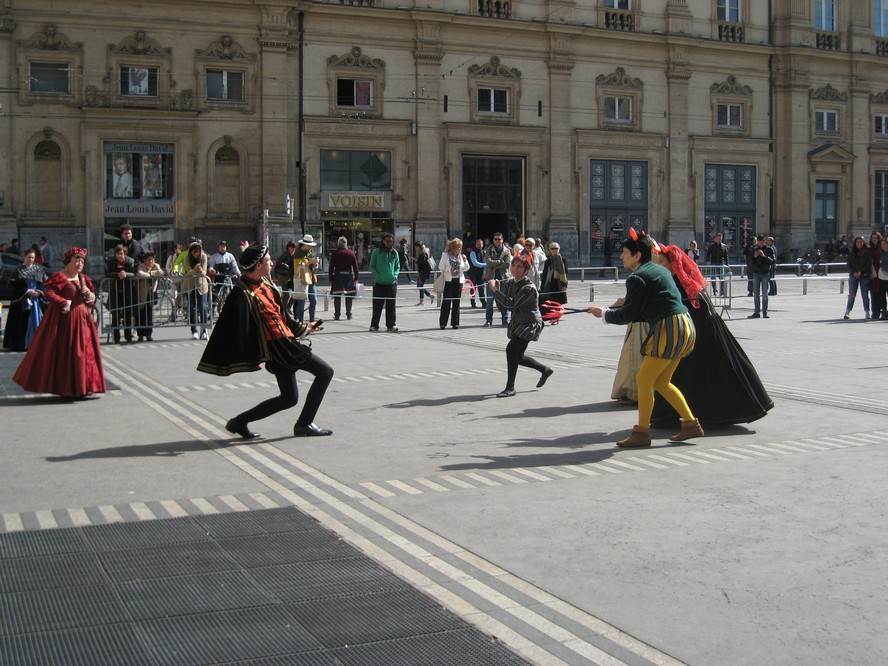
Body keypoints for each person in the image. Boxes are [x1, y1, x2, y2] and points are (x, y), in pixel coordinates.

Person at [197, 243, 333, 438]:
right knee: (325, 371)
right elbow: (231, 328)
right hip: (278, 347)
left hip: (284, 343)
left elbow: (281, 314)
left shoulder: (265, 283)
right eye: (268, 260)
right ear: (258, 265)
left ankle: (239, 422)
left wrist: (304, 328)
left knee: (289, 398)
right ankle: (305, 424)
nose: (272, 263)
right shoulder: (241, 293)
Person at [588, 232, 702, 447]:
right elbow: (646, 308)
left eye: (624, 252)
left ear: (637, 255)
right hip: (684, 325)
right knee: (661, 382)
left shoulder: (637, 277)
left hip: (669, 328)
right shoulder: (660, 270)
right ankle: (690, 424)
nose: (621, 257)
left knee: (643, 379)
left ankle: (642, 433)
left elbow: (628, 315)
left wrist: (604, 314)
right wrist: (608, 311)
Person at [650, 244, 773, 427]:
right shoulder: (677, 279)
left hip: (701, 332)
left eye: (662, 262)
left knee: (701, 372)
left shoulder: (682, 281)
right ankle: (676, 414)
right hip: (694, 330)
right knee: (688, 374)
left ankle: (691, 414)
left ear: (673, 263)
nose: (659, 265)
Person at [13, 247, 105, 399]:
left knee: (85, 354)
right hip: (65, 320)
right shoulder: (60, 277)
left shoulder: (84, 279)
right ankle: (67, 388)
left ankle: (84, 386)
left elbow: (90, 301)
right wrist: (63, 302)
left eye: (82, 261)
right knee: (68, 353)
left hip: (83, 320)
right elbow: (48, 294)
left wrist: (90, 296)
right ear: (68, 261)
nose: (79, 263)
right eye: (76, 260)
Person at [489, 255, 552, 397]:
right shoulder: (510, 283)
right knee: (518, 357)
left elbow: (511, 304)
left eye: (519, 266)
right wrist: (498, 290)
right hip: (518, 324)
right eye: (513, 266)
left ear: (526, 270)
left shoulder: (529, 288)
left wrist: (495, 291)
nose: (515, 269)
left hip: (529, 325)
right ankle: (545, 370)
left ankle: (510, 387)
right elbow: (503, 306)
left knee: (511, 349)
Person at [3, 247, 46, 351]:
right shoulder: (18, 270)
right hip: (22, 299)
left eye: (33, 258)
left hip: (36, 300)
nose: (31, 259)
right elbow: (13, 284)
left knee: (37, 320)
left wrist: (39, 292)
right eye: (29, 257)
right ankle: (22, 344)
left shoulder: (38, 269)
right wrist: (26, 291)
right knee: (21, 322)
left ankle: (37, 344)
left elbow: (44, 283)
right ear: (24, 257)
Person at [105, 244, 138, 344]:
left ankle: (128, 336)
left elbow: (134, 273)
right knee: (115, 315)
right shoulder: (111, 262)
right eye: (118, 254)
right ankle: (116, 337)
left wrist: (126, 274)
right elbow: (107, 273)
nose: (120, 256)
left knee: (127, 314)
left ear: (125, 254)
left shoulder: (130, 261)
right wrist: (117, 274)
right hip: (115, 291)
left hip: (127, 292)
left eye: (122, 254)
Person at [369, 232, 400, 332]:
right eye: (387, 241)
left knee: (391, 305)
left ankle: (390, 325)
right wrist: (378, 275)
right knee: (377, 306)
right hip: (379, 283)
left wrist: (395, 275)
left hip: (391, 284)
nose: (389, 243)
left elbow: (397, 267)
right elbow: (372, 266)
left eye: (391, 241)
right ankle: (374, 325)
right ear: (383, 241)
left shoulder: (394, 253)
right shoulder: (376, 252)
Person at [438, 237, 469, 329]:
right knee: (446, 302)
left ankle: (455, 323)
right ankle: (443, 323)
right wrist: (449, 270)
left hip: (458, 281)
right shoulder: (445, 255)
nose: (460, 249)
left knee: (456, 302)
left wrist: (465, 260)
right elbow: (441, 267)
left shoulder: (461, 256)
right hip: (448, 281)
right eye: (458, 247)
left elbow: (466, 268)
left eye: (461, 247)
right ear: (453, 247)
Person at [182, 240, 210, 339]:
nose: (197, 254)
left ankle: (204, 330)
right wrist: (194, 270)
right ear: (191, 252)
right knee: (192, 308)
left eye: (198, 251)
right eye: (194, 252)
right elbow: (188, 271)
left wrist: (201, 270)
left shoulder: (203, 256)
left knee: (203, 307)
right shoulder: (187, 257)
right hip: (190, 285)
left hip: (202, 285)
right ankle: (194, 331)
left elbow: (205, 271)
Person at [483, 232, 512, 327]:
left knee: (504, 300)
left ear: (502, 240)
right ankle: (488, 320)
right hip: (491, 279)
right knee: (490, 301)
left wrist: (494, 264)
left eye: (499, 239)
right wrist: (500, 261)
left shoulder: (507, 251)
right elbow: (488, 263)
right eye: (495, 239)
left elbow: (507, 264)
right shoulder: (489, 250)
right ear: (493, 240)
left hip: (503, 279)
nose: (497, 241)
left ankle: (504, 320)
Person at [328, 236, 359, 320]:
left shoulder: (335, 253)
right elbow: (355, 267)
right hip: (348, 276)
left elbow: (331, 267)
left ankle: (337, 315)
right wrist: (356, 278)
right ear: (346, 244)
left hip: (338, 276)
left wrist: (331, 278)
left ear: (338, 243)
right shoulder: (351, 253)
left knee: (337, 296)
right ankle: (349, 314)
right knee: (349, 296)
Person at [135, 251, 164, 342]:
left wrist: (151, 273)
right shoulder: (142, 266)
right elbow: (139, 274)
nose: (151, 261)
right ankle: (140, 334)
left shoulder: (156, 266)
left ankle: (148, 334)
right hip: (142, 293)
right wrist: (150, 275)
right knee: (141, 314)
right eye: (149, 259)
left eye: (152, 259)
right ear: (145, 260)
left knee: (149, 314)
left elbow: (161, 273)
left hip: (151, 293)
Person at [293, 234, 319, 324]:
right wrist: (310, 262)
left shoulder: (309, 252)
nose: (310, 247)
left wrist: (315, 263)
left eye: (311, 245)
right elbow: (298, 267)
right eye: (309, 245)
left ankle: (312, 321)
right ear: (304, 244)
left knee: (314, 300)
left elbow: (312, 265)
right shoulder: (297, 253)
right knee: (301, 301)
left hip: (311, 278)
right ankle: (300, 321)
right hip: (302, 279)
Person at [844, 236, 872, 320]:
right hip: (853, 275)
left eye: (861, 242)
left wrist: (860, 272)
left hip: (864, 275)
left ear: (863, 243)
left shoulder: (867, 252)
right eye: (857, 242)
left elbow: (868, 264)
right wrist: (854, 272)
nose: (859, 244)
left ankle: (867, 312)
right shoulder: (851, 252)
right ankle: (847, 312)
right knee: (851, 294)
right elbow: (849, 264)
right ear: (855, 243)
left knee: (864, 295)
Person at [748, 234, 775, 319]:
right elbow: (750, 262)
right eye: (758, 242)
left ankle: (764, 312)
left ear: (764, 241)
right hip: (756, 273)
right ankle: (756, 312)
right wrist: (755, 257)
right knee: (756, 294)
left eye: (761, 242)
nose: (760, 244)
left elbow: (773, 261)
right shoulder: (753, 249)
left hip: (765, 273)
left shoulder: (769, 249)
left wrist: (764, 256)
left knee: (764, 294)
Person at [539, 241, 568, 319]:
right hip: (549, 283)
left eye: (556, 248)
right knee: (549, 300)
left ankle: (556, 316)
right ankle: (549, 315)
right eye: (552, 248)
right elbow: (545, 274)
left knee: (557, 301)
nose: (554, 250)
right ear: (550, 250)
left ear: (559, 249)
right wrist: (542, 285)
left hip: (558, 283)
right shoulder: (548, 261)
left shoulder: (563, 260)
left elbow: (565, 273)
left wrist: (565, 285)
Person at [273, 240, 297, 316]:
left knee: (296, 292)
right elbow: (278, 262)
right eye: (292, 248)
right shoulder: (285, 254)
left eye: (294, 249)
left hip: (289, 276)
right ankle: (283, 309)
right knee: (286, 294)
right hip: (283, 276)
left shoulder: (293, 255)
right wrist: (285, 265)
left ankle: (288, 307)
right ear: (289, 248)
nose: (293, 250)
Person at [867, 232, 885, 321]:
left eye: (876, 238)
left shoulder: (882, 248)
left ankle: (883, 312)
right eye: (872, 238)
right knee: (873, 293)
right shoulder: (868, 249)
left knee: (882, 293)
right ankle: (875, 312)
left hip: (882, 272)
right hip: (873, 273)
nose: (874, 239)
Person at [706, 232, 729, 296]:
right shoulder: (711, 246)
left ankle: (722, 290)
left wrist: (727, 264)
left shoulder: (724, 246)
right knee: (713, 277)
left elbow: (726, 256)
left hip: (721, 263)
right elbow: (708, 254)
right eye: (718, 238)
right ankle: (714, 290)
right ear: (715, 239)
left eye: (720, 239)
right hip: (713, 263)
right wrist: (708, 260)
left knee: (722, 277)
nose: (719, 240)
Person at [412, 240, 435, 306]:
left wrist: (416, 261)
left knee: (420, 286)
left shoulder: (423, 252)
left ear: (419, 246)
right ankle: (429, 296)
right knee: (419, 286)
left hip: (423, 271)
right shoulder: (421, 251)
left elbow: (424, 262)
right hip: (421, 270)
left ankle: (422, 301)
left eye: (416, 246)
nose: (415, 248)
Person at [466, 238, 486, 308]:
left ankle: (483, 303)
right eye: (477, 244)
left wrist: (484, 273)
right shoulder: (473, 252)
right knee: (473, 289)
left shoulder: (484, 252)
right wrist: (486, 265)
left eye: (480, 244)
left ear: (482, 245)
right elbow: (475, 263)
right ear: (475, 245)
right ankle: (473, 303)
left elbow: (485, 262)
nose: (479, 245)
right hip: (473, 273)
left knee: (481, 289)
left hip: (481, 274)